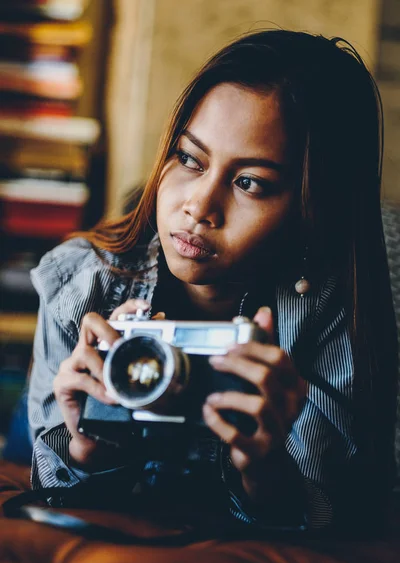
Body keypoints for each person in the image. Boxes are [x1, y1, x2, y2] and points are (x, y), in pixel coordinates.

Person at [28, 29, 397, 536]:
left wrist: (265, 470)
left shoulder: (330, 311)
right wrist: (87, 448)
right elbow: (56, 493)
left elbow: (319, 514)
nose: (199, 205)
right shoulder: (82, 284)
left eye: (249, 183)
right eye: (189, 159)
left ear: (314, 210)